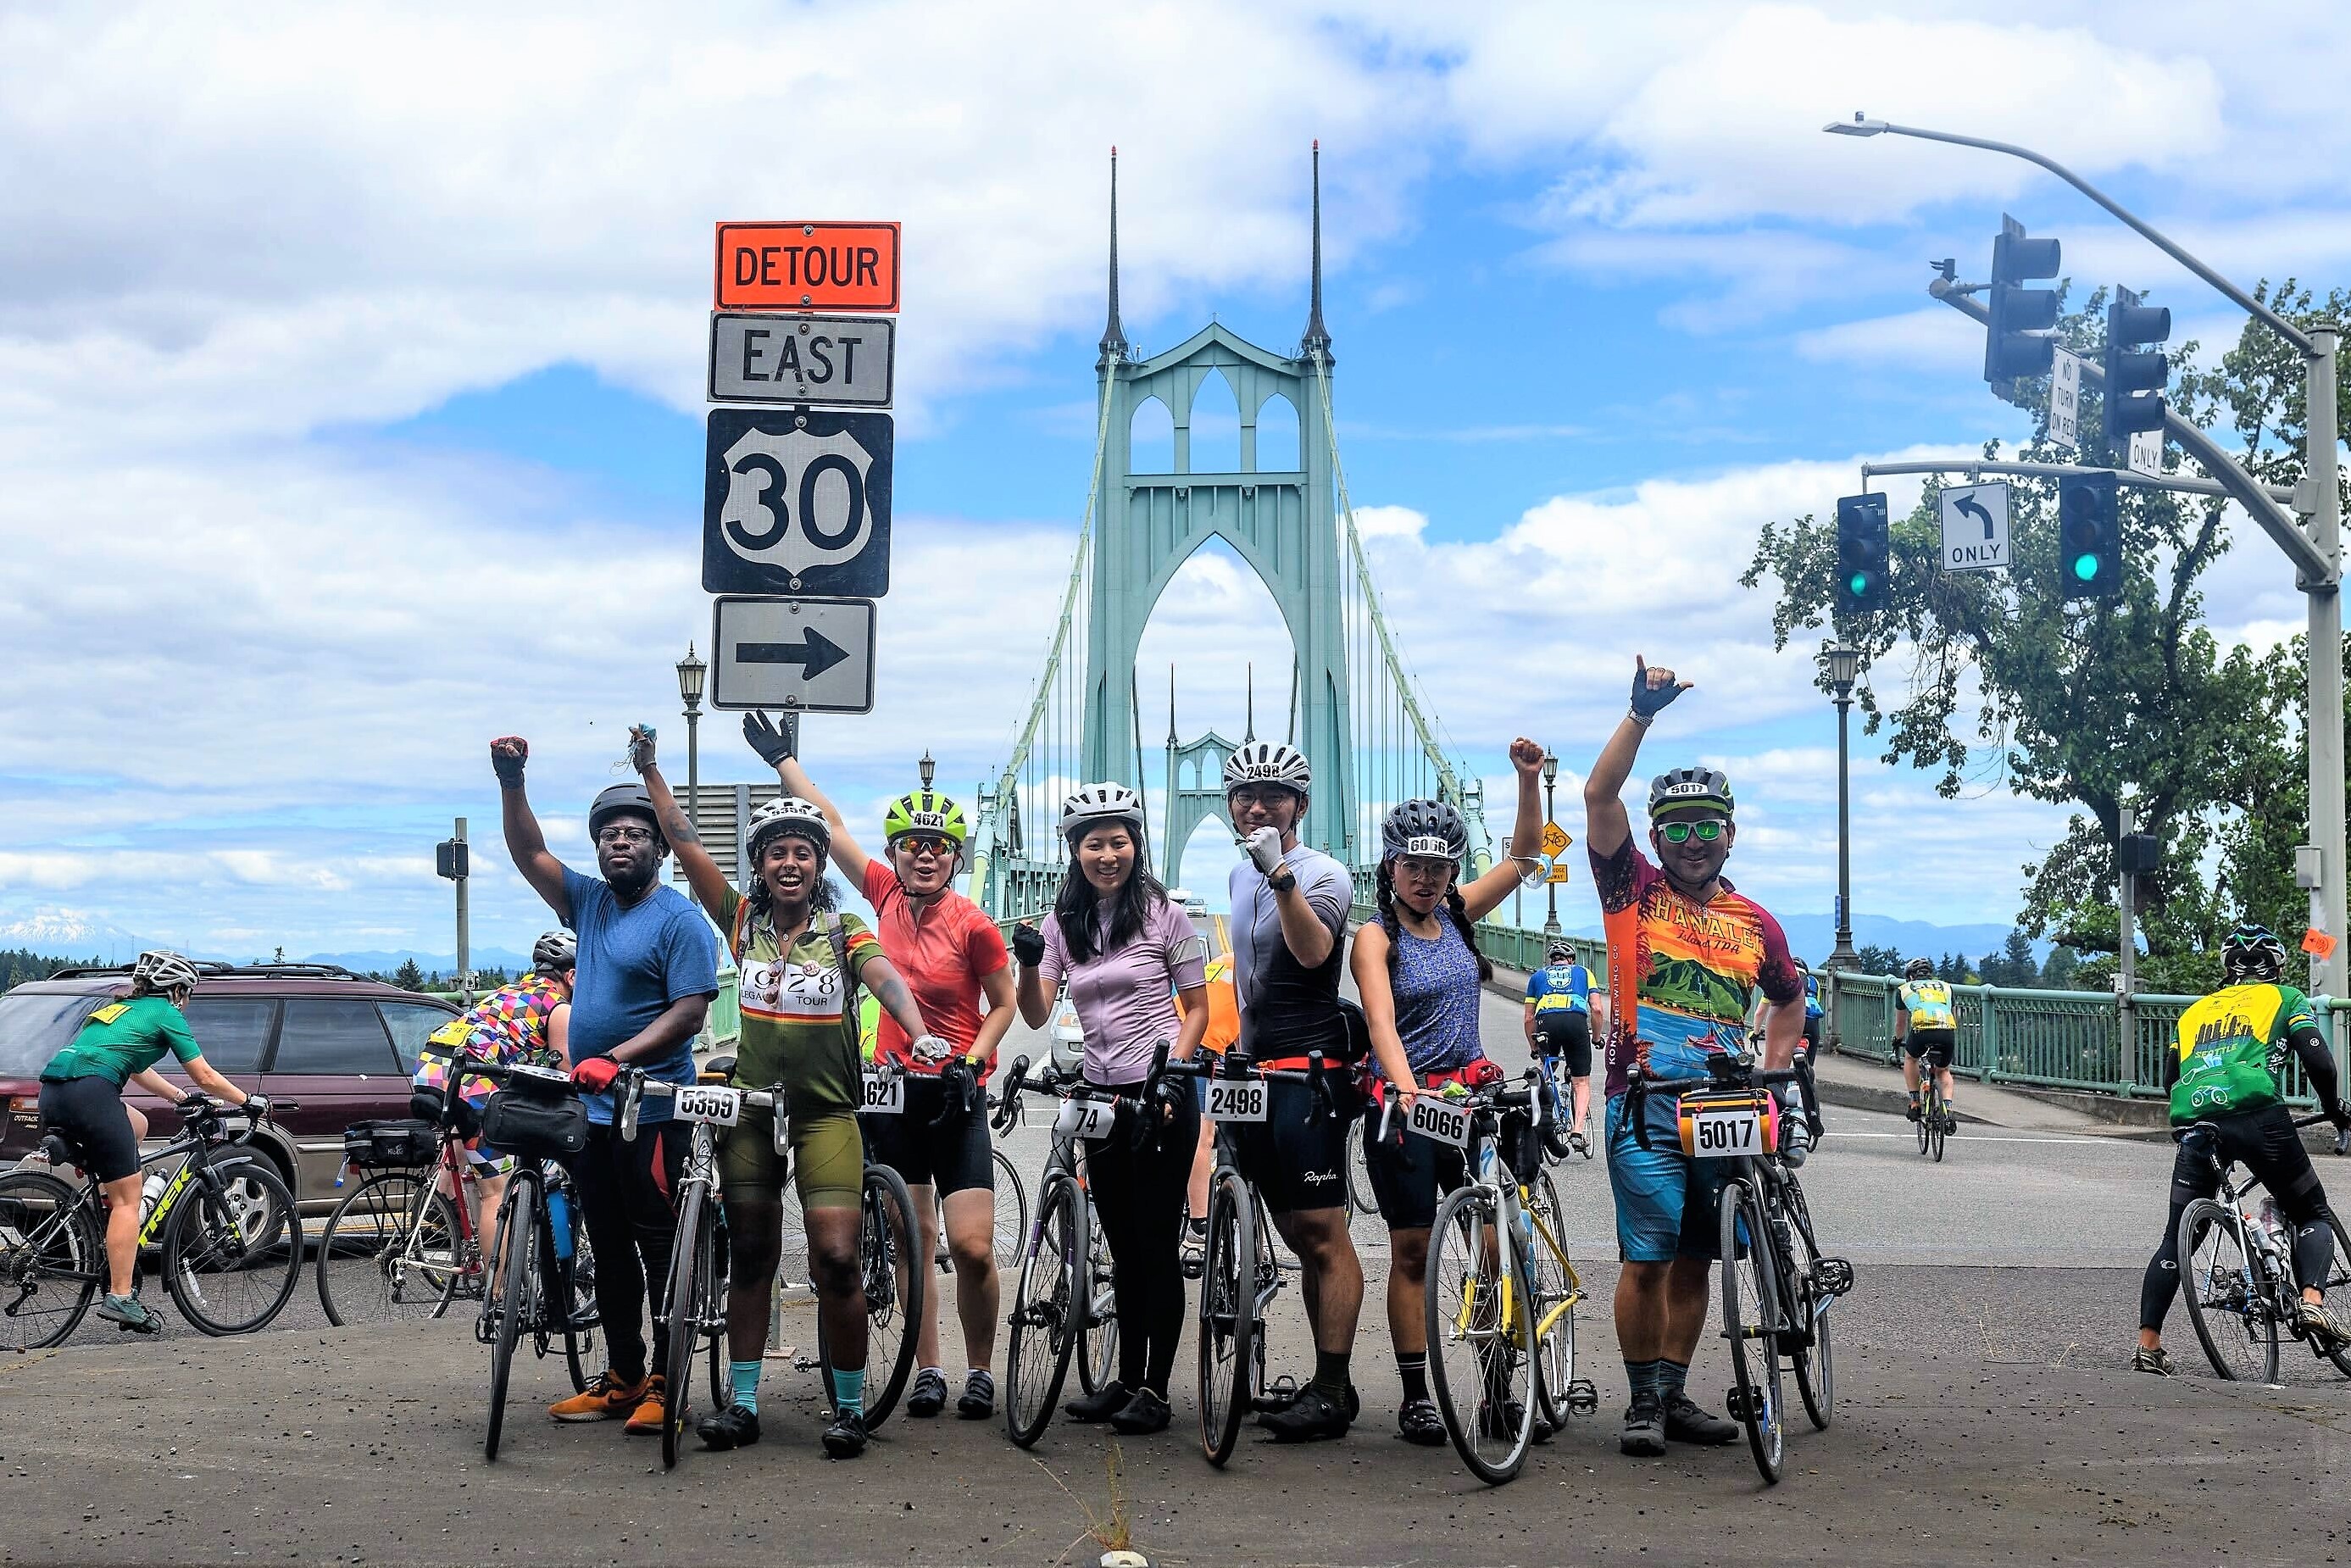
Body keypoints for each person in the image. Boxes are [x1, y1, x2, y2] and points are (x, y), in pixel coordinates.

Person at [631, 729, 944, 1456]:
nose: (793, 862)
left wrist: (916, 1027)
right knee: (751, 1252)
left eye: (804, 850)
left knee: (835, 1259)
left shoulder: (844, 928)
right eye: (778, 852)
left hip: (826, 1113)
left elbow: (882, 976)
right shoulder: (742, 922)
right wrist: (650, 769)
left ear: (818, 863)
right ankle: (742, 1404)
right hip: (752, 1108)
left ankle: (849, 1405)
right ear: (761, 867)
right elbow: (681, 841)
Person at [748, 714, 1017, 1421]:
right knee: (911, 1240)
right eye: (909, 847)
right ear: (894, 856)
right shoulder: (883, 896)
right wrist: (784, 760)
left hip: (954, 1093)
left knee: (974, 1247)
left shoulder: (975, 924)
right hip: (891, 1092)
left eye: (937, 848)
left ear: (955, 857)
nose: (923, 857)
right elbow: (827, 827)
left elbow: (1004, 1002)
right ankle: (929, 1369)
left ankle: (980, 1368)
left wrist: (975, 1059)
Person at [1583, 656, 1806, 1459]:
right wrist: (1639, 713)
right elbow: (1598, 798)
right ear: (1654, 838)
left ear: (1730, 833)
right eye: (1675, 826)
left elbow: (1787, 1000)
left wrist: (1777, 1078)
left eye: (1706, 825)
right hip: (1643, 1100)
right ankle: (1642, 1401)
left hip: (1728, 1106)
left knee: (1696, 1257)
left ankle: (1673, 1392)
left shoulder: (1758, 921)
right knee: (1645, 1258)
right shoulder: (1631, 892)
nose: (1691, 840)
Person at [491, 735, 717, 1438]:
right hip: (588, 1111)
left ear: (659, 848)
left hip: (650, 1111)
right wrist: (511, 781)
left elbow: (691, 1011)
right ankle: (622, 1377)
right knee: (609, 1245)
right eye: (609, 836)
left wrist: (618, 1059)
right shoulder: (589, 904)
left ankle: (665, 1383)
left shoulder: (678, 918)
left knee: (655, 1247)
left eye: (635, 835)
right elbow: (531, 854)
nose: (621, 844)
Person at [1351, 743, 1543, 1445]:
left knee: (1494, 1247)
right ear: (1391, 867)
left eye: (1439, 867)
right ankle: (1416, 1396)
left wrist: (1527, 782)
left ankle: (1498, 1391)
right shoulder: (1375, 937)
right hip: (1406, 1110)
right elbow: (1379, 1022)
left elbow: (1525, 859)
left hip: (1472, 1104)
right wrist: (1405, 1091)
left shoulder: (1459, 915)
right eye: (1414, 866)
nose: (1428, 879)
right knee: (1413, 1252)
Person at [1013, 782, 1209, 1434]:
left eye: (1117, 841)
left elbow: (1198, 1010)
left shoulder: (1165, 916)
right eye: (1093, 843)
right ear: (1074, 850)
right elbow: (1037, 1013)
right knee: (1121, 1246)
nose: (1106, 854)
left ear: (1136, 845)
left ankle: (1156, 1388)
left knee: (1155, 1241)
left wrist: (1173, 1077)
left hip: (1159, 1094)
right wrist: (1029, 963)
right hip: (1099, 1096)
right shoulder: (1062, 924)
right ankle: (1124, 1380)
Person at [1220, 740, 1363, 1441]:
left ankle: (1335, 1388)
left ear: (1300, 806)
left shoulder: (1323, 873)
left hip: (1310, 1073)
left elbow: (1311, 954)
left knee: (1320, 1231)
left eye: (1273, 795)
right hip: (1253, 1072)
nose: (1257, 805)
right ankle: (1318, 1382)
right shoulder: (1233, 876)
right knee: (1287, 1230)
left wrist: (1278, 872)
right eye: (1245, 795)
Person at [2135, 924, 2351, 1374]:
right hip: (2258, 1117)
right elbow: (2319, 1062)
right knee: (2310, 1209)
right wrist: (2334, 1110)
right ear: (2276, 966)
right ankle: (2312, 1300)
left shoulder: (2193, 1013)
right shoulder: (2285, 999)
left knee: (2177, 1236)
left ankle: (2147, 1346)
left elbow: (2169, 1080)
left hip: (2197, 1120)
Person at [36, 949, 264, 1333]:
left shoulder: (121, 1009)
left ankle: (105, 1205)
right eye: (188, 993)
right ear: (176, 990)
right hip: (93, 1095)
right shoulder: (166, 1012)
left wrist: (178, 1097)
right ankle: (121, 1297)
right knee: (129, 1199)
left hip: (53, 1093)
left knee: (137, 1124)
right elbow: (205, 1075)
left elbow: (137, 1067)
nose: (187, 1001)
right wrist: (247, 1100)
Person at [409, 929, 577, 1287]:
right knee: (497, 1190)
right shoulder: (558, 1007)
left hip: (433, 1070)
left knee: (467, 1143)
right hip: (473, 1082)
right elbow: (567, 1071)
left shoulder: (508, 992)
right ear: (571, 975)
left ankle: (445, 1200)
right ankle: (498, 1291)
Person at [1181, 951, 1242, 1277]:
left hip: (1180, 1030)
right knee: (1204, 1136)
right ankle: (1199, 1224)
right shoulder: (1250, 966)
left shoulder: (1222, 960)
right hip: (1206, 1046)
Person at [1524, 938, 1599, 1153]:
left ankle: (1536, 1118)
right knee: (1581, 1082)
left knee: (1546, 1070)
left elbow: (1529, 1018)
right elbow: (1596, 1009)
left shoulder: (1537, 977)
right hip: (1575, 1023)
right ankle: (1577, 1131)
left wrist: (1533, 1047)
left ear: (1552, 961)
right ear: (1571, 960)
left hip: (1546, 1023)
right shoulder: (1584, 973)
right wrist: (1595, 1037)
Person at [1896, 957, 1959, 1131]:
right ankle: (1948, 1109)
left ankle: (1915, 1102)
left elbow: (1900, 1024)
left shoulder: (1904, 989)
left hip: (1922, 1031)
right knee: (1943, 1071)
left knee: (1911, 1059)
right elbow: (1953, 1014)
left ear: (1910, 977)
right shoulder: (1946, 987)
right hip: (1946, 1030)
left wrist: (1898, 1040)